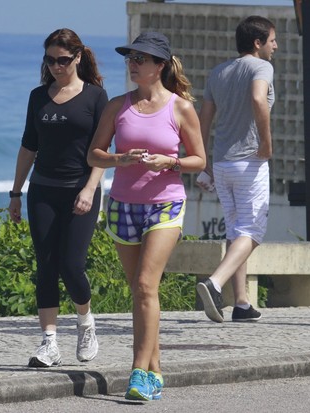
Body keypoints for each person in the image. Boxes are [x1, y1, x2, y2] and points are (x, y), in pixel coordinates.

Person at [87, 32, 205, 401]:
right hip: (123, 206)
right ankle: (155, 371)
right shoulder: (117, 106)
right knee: (139, 292)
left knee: (145, 286)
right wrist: (119, 159)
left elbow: (199, 160)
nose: (133, 64)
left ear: (160, 66)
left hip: (165, 205)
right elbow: (94, 155)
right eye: (131, 58)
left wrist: (170, 161)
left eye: (142, 58)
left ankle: (137, 373)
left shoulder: (181, 108)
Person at [7, 28, 108, 368]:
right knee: (46, 265)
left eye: (62, 60)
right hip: (43, 191)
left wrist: (90, 188)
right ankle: (49, 342)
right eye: (50, 60)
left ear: (77, 57)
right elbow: (28, 146)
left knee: (71, 265)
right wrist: (16, 193)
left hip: (81, 189)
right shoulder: (38, 96)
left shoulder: (96, 97)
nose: (56, 66)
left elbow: (102, 150)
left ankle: (85, 323)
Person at [196, 15, 277, 324]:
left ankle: (241, 303)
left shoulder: (219, 72)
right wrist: (266, 145)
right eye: (272, 40)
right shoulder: (261, 67)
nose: (276, 46)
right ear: (257, 44)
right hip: (250, 162)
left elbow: (203, 120)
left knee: (236, 231)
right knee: (253, 231)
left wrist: (204, 164)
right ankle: (214, 283)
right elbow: (258, 98)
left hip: (222, 162)